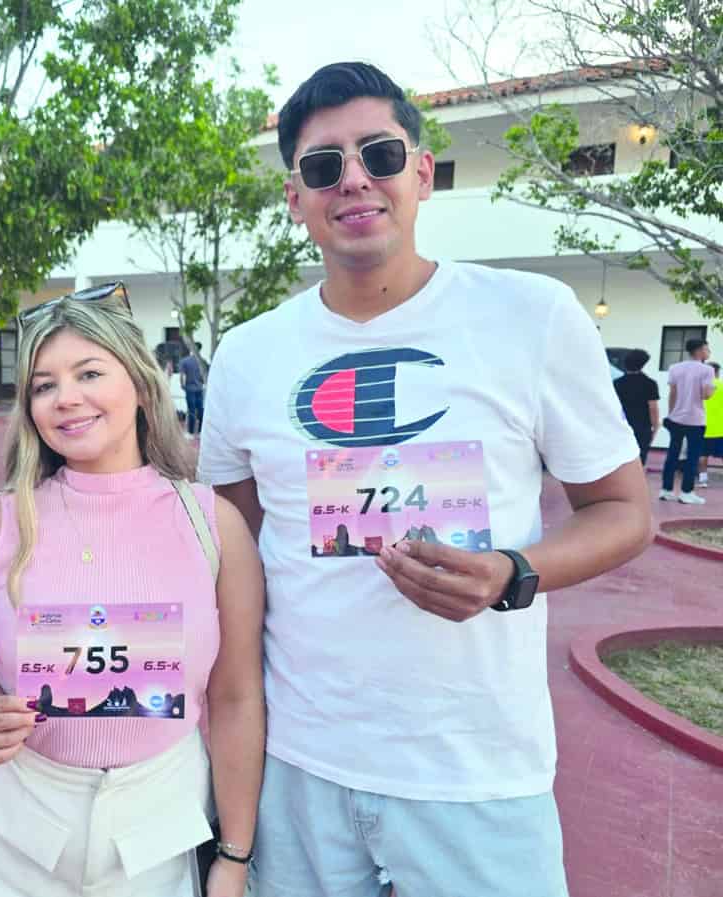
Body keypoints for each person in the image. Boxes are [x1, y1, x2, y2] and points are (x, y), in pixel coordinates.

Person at [197, 62, 652, 897]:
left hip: (475, 768)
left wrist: (516, 572)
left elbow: (625, 509)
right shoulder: (247, 356)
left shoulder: (531, 316)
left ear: (422, 170)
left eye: (378, 151)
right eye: (324, 165)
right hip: (301, 761)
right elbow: (236, 540)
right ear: (295, 196)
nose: (355, 179)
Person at [0, 284, 266, 897]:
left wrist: (235, 856)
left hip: (156, 835)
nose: (67, 399)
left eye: (88, 373)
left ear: (138, 383)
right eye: (43, 384)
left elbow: (238, 696)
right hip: (8, 831)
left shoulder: (213, 524)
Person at [660, 338, 715, 504]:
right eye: (706, 349)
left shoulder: (674, 368)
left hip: (676, 418)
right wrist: (713, 389)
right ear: (699, 351)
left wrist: (671, 414)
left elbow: (673, 394)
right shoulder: (707, 370)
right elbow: (706, 395)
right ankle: (686, 492)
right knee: (692, 456)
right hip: (695, 420)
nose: (708, 352)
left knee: (672, 455)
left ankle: (666, 490)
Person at [613, 348, 660, 466]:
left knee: (620, 458)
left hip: (621, 425)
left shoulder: (617, 383)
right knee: (640, 458)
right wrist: (655, 426)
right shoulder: (649, 383)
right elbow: (653, 408)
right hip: (643, 427)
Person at [700, 361, 722, 488]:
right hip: (721, 428)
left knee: (702, 455)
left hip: (704, 426)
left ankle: (703, 480)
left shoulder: (702, 388)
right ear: (718, 372)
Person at [180, 343, 206, 438]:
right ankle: (200, 432)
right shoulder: (202, 361)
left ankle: (190, 433)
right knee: (200, 410)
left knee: (191, 410)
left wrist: (182, 385)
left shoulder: (185, 361)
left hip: (189, 388)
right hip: (199, 388)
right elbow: (204, 375)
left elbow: (182, 375)